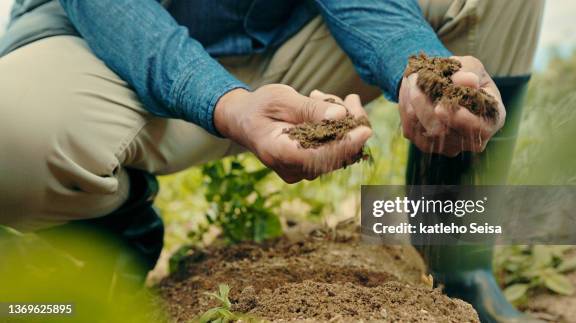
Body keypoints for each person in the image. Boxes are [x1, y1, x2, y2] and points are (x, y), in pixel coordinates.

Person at [0, 0, 544, 322]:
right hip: (111, 48)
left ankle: (459, 265)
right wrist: (227, 104)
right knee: (14, 135)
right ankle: (108, 238)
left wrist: (416, 69)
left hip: (299, 35)